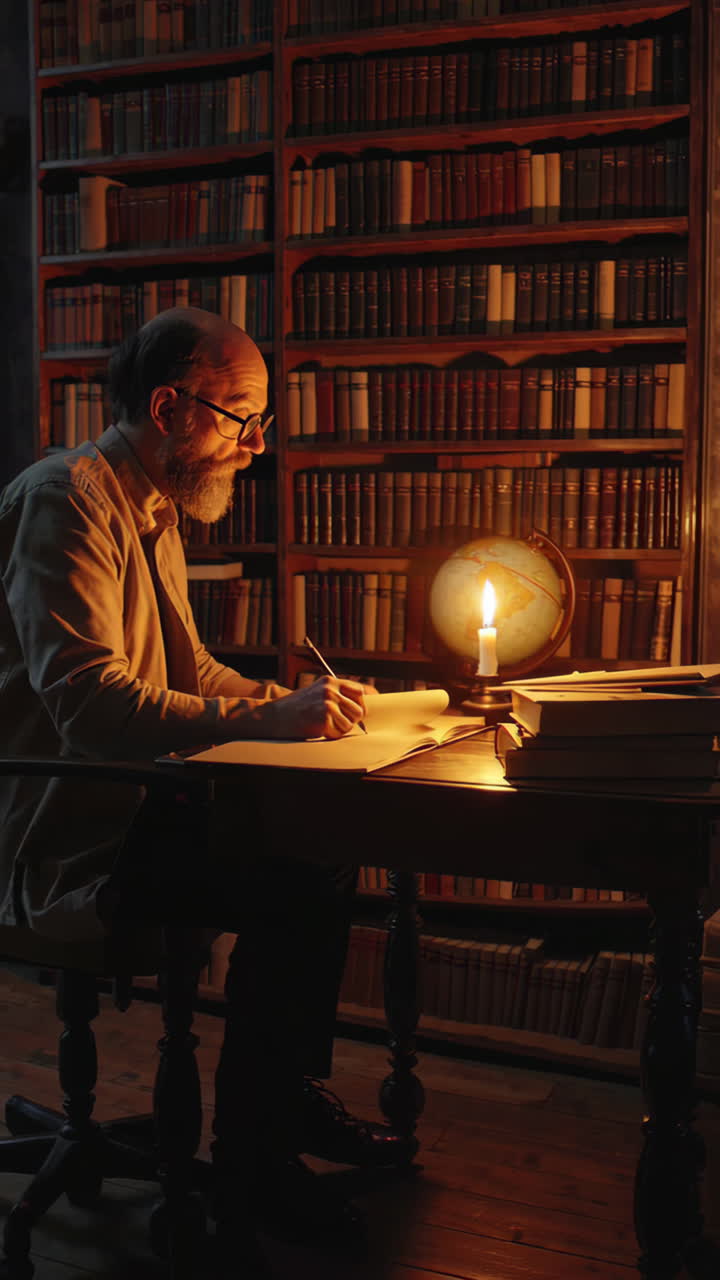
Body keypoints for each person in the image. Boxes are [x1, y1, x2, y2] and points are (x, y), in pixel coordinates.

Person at [0, 307, 413, 1263]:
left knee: (323, 839)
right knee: (296, 876)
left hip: (129, 804)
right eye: (242, 418)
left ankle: (277, 1105)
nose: (256, 444)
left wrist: (294, 702)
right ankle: (253, 1157)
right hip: (65, 831)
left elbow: (187, 675)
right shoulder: (66, 501)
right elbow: (92, 707)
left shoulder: (150, 506)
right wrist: (268, 722)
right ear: (168, 408)